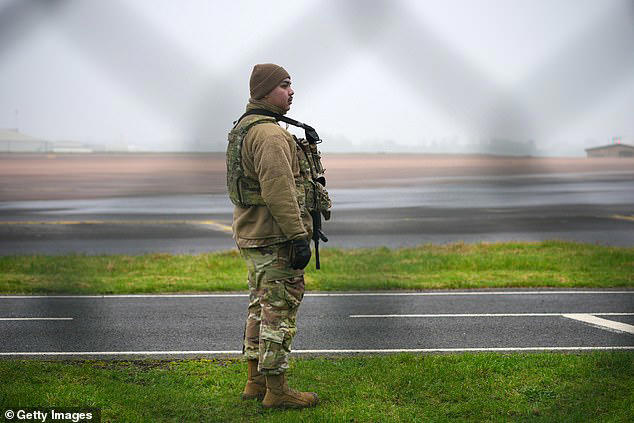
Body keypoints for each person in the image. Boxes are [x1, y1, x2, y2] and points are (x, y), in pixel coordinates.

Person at [226, 63, 322, 409]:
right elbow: (279, 189)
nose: (291, 91)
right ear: (266, 91)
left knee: (260, 306)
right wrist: (298, 236)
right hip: (274, 238)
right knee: (278, 310)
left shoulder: (245, 127)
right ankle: (277, 390)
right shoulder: (268, 135)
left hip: (254, 235)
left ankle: (255, 381)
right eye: (284, 85)